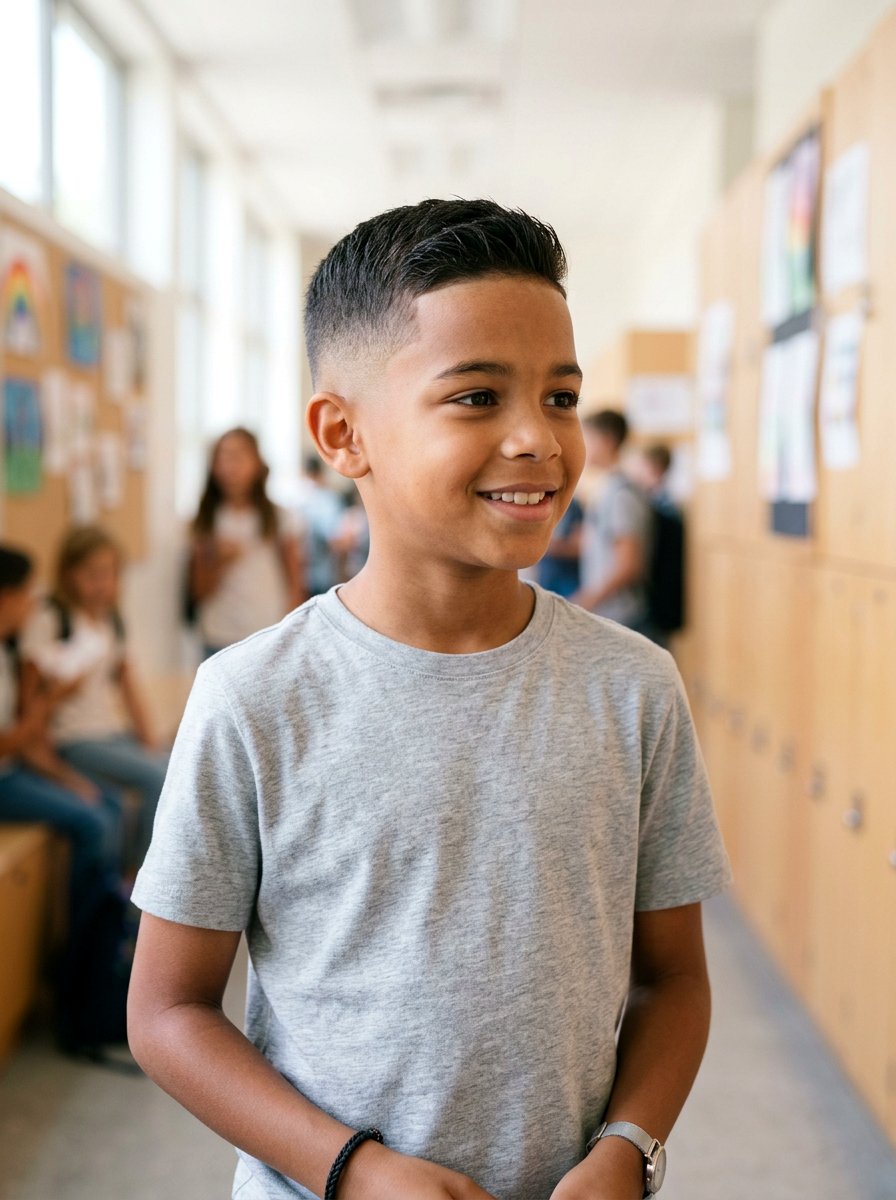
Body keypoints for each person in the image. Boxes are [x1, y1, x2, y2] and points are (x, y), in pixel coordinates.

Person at [128, 199, 731, 1200]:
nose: (538, 439)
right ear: (342, 434)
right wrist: (349, 1170)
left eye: (562, 396)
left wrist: (628, 1148)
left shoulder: (631, 687)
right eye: (475, 398)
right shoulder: (251, 698)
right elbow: (167, 1014)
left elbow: (673, 977)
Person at [18, 526, 168, 871]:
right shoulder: (51, 618)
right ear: (69, 575)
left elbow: (129, 687)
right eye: (92, 575)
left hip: (110, 734)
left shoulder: (110, 620)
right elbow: (28, 698)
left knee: (173, 766)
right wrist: (48, 764)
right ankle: (138, 888)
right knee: (156, 779)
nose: (103, 584)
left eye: (110, 574)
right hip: (75, 740)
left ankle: (140, 875)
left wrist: (150, 741)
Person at [0, 545, 120, 924]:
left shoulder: (6, 653)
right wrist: (53, 699)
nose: (32, 603)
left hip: (14, 771)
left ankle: (111, 926)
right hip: (5, 780)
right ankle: (83, 942)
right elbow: (9, 744)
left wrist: (68, 780)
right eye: (26, 593)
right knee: (94, 823)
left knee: (107, 801)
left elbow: (22, 746)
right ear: (6, 597)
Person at [188, 427, 306, 656]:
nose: (231, 466)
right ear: (214, 466)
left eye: (239, 456)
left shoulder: (279, 517)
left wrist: (292, 629)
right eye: (224, 456)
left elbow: (295, 581)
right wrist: (219, 561)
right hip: (218, 635)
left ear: (257, 464)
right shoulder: (207, 521)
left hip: (268, 632)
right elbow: (199, 590)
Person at [572, 410, 652, 634]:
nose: (582, 446)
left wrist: (587, 599)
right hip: (611, 614)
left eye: (587, 438)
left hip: (623, 616)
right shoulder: (608, 489)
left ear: (606, 441)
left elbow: (628, 565)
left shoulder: (621, 495)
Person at [296, 454, 344, 596]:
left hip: (300, 573)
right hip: (322, 574)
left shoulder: (294, 497)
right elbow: (335, 540)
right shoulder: (327, 499)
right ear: (321, 473)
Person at [535, 492, 584, 597]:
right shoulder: (538, 502)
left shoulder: (574, 507)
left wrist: (552, 546)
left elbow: (579, 547)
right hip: (546, 578)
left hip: (567, 580)